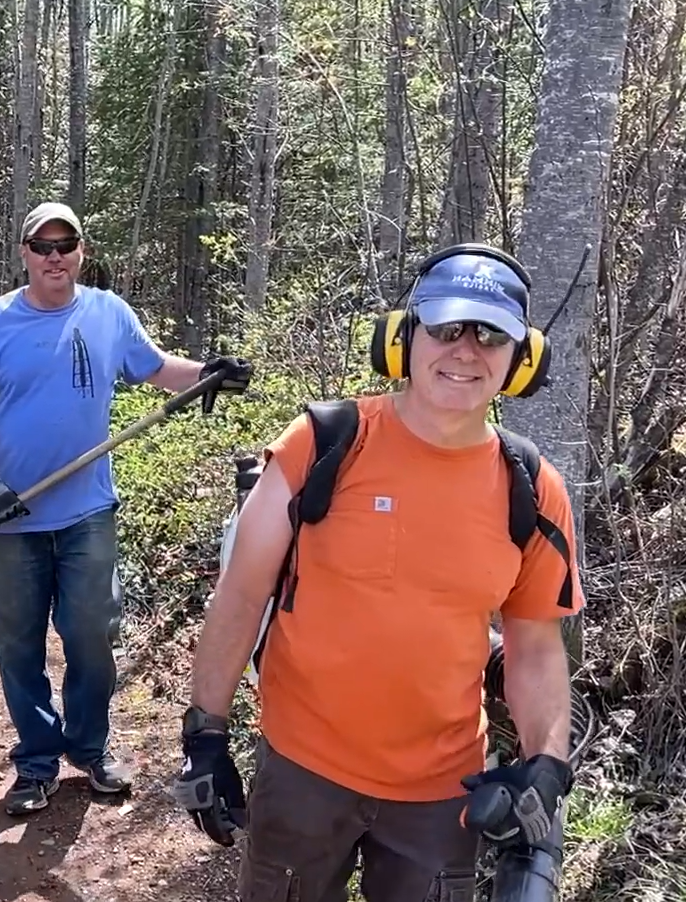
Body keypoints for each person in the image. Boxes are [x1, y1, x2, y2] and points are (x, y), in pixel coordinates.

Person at [169, 243, 585, 900]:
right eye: (446, 328)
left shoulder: (531, 488)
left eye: (490, 336)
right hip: (302, 770)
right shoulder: (323, 442)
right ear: (402, 338)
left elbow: (534, 647)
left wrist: (545, 765)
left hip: (442, 795)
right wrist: (205, 734)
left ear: (521, 360)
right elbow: (241, 594)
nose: (465, 351)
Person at [0, 201, 253, 816]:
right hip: (10, 518)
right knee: (19, 645)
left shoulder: (108, 312)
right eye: (42, 245)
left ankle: (91, 747)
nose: (55, 255)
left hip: (87, 513)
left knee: (90, 637)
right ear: (24, 253)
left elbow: (155, 368)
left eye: (66, 244)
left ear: (82, 251)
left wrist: (208, 373)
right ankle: (35, 763)